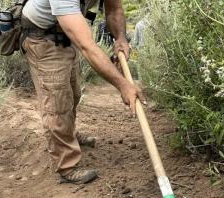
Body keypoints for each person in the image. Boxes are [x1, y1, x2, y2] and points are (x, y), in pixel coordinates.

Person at [21, 0, 145, 184]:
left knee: (73, 94)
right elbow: (87, 46)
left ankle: (68, 133)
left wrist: (120, 38)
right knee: (57, 104)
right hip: (42, 39)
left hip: (64, 35)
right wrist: (123, 85)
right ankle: (67, 167)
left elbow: (114, 9)